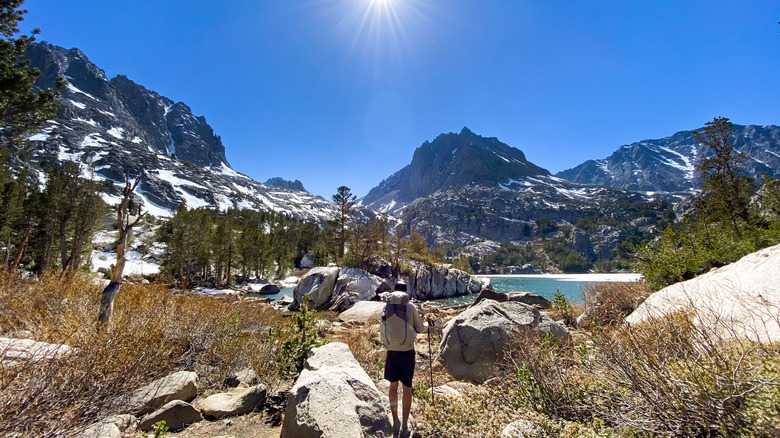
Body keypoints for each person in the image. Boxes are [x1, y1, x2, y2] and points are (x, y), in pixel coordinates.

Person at [380, 291, 430, 438]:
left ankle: (395, 421)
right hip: (407, 352)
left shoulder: (386, 306)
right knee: (407, 388)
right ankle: (404, 425)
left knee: (393, 386)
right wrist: (428, 323)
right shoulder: (410, 306)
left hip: (392, 352)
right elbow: (420, 328)